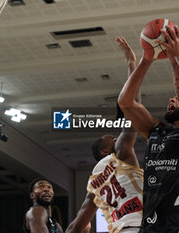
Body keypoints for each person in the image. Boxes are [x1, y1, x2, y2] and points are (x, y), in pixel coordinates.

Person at [118, 25, 179, 233]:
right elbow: (125, 102)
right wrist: (146, 60)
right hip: (152, 218)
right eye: (171, 99)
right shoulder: (155, 131)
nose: (172, 100)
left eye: (176, 99)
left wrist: (175, 58)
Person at [65, 36, 144, 233]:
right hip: (142, 226)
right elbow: (134, 108)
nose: (118, 139)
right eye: (113, 139)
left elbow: (76, 225)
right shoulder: (121, 154)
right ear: (105, 151)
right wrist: (131, 64)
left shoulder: (93, 183)